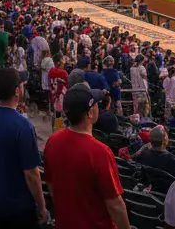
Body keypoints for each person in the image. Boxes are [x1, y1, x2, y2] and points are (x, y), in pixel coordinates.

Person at [43, 86, 131, 229]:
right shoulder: (100, 152)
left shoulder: (53, 140)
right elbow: (115, 204)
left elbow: (51, 184)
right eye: (96, 104)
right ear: (90, 112)